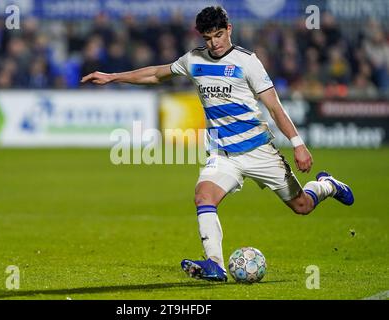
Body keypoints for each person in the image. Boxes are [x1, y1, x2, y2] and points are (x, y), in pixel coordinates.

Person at [81, 6, 354, 282]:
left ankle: (327, 185)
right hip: (223, 154)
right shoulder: (194, 60)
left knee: (302, 206)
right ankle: (215, 264)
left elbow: (274, 107)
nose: (215, 42)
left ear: (229, 30)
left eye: (219, 35)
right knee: (203, 196)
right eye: (208, 37)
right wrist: (113, 77)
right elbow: (156, 74)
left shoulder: (248, 62)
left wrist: (298, 144)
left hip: (258, 150)